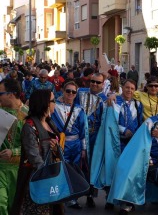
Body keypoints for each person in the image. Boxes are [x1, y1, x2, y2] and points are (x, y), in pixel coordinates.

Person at [91, 79, 143, 210]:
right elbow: (110, 121)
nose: (129, 90)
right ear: (122, 88)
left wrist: (136, 135)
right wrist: (124, 130)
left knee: (128, 171)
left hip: (131, 143)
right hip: (115, 142)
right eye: (127, 87)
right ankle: (111, 198)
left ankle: (126, 200)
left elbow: (140, 120)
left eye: (132, 88)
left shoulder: (137, 104)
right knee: (113, 170)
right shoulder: (113, 101)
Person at [12, 89, 64, 215]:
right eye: (53, 101)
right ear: (45, 104)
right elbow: (34, 156)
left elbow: (59, 151)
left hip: (51, 176)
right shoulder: (29, 126)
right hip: (37, 179)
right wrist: (47, 176)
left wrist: (57, 149)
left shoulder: (50, 123)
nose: (55, 104)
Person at [51, 81, 89, 209]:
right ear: (62, 90)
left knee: (75, 171)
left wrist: (83, 149)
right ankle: (61, 198)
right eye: (68, 91)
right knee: (61, 170)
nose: (70, 94)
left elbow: (83, 131)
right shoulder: (54, 106)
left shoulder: (79, 109)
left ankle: (73, 198)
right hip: (61, 144)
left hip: (76, 145)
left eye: (73, 92)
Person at [75, 73, 107, 207]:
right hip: (78, 135)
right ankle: (73, 196)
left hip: (94, 138)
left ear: (103, 84)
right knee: (76, 164)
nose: (94, 84)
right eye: (92, 81)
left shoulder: (105, 99)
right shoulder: (80, 92)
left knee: (92, 166)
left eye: (98, 82)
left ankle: (90, 195)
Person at [0, 79, 28, 215]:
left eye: (1, 93)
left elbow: (35, 144)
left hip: (19, 169)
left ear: (11, 94)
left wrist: (14, 152)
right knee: (1, 203)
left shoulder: (28, 115)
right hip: (0, 168)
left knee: (16, 206)